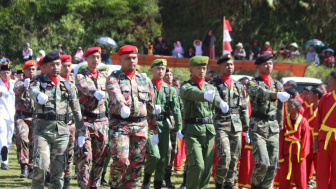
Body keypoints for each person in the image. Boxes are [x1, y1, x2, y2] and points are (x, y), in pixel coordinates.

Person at [29, 51, 84, 188]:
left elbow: (76, 110)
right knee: (40, 168)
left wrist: (81, 132)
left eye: (58, 64)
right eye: (52, 65)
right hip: (42, 132)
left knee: (58, 173)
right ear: (45, 66)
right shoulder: (39, 82)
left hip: (62, 133)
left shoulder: (68, 85)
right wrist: (38, 96)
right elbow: (32, 90)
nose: (55, 67)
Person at [106, 45, 156, 189]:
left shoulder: (144, 79)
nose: (131, 61)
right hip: (120, 125)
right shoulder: (114, 78)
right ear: (120, 60)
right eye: (127, 58)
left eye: (134, 58)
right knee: (120, 160)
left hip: (140, 126)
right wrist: (122, 106)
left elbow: (150, 106)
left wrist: (155, 129)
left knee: (137, 164)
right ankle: (115, 185)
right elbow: (115, 93)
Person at [180, 56, 224, 189]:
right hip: (192, 130)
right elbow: (191, 93)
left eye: (204, 68)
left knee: (207, 168)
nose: (202, 70)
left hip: (208, 130)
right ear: (191, 69)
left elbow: (217, 98)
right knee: (197, 165)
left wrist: (221, 103)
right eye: (198, 68)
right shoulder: (185, 86)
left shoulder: (210, 87)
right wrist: (204, 95)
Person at [246, 53, 290, 188]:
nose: (268, 66)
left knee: (272, 166)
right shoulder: (252, 83)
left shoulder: (277, 84)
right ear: (258, 66)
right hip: (258, 126)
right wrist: (275, 94)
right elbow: (260, 93)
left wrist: (280, 125)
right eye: (265, 63)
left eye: (270, 63)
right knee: (262, 163)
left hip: (273, 127)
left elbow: (280, 108)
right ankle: (255, 186)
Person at [142, 59, 182, 189]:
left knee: (163, 157)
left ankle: (158, 184)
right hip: (149, 124)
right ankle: (146, 180)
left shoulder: (169, 89)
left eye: (163, 69)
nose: (160, 71)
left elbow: (176, 109)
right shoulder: (146, 86)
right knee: (154, 155)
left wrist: (179, 127)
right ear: (151, 70)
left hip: (164, 124)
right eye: (158, 68)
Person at [211, 54, 249, 189]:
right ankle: (219, 184)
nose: (230, 67)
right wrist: (220, 103)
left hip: (236, 126)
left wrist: (247, 128)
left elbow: (244, 107)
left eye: (232, 64)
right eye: (227, 64)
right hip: (221, 124)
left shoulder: (238, 85)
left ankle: (229, 184)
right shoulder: (214, 83)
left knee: (234, 159)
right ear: (220, 66)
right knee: (224, 157)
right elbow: (214, 96)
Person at [75, 47, 109, 189]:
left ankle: (94, 184)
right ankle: (84, 184)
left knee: (100, 156)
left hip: (102, 121)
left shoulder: (105, 76)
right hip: (86, 121)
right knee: (85, 156)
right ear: (86, 59)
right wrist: (95, 92)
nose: (95, 60)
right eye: (92, 57)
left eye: (98, 57)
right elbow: (83, 87)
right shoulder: (81, 76)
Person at [278, 99, 309, 189]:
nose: (288, 108)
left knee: (301, 175)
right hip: (287, 152)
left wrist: (303, 154)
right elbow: (281, 139)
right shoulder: (284, 121)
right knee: (284, 176)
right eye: (288, 106)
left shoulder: (303, 121)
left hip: (299, 153)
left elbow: (306, 139)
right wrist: (280, 154)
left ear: (297, 108)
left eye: (291, 106)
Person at [13, 60, 37, 178]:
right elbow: (17, 90)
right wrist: (24, 85)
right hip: (21, 116)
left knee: (33, 142)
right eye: (29, 69)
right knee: (22, 138)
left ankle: (31, 167)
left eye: (33, 69)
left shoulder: (39, 83)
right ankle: (24, 166)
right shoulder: (20, 82)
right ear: (24, 71)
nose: (31, 71)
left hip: (35, 117)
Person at [313, 71, 336, 189]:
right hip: (324, 138)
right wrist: (315, 139)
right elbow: (318, 119)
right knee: (322, 170)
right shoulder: (325, 98)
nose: (328, 83)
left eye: (331, 80)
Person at [59, 54, 76, 189]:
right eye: (64, 66)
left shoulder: (74, 82)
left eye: (69, 66)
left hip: (70, 123)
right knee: (57, 153)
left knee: (69, 153)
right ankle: (52, 176)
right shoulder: (54, 81)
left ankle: (67, 179)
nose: (67, 69)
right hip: (56, 124)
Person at [162, 67, 180, 188]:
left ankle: (167, 178)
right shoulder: (161, 89)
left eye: (170, 75)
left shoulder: (176, 90)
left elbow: (180, 108)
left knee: (173, 150)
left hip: (174, 124)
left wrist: (181, 124)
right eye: (167, 75)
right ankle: (162, 176)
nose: (169, 77)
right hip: (164, 123)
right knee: (166, 150)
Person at [303, 87, 322, 185]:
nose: (307, 96)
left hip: (317, 138)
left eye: (310, 94)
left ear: (316, 96)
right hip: (307, 138)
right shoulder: (307, 109)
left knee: (319, 162)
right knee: (306, 160)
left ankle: (320, 182)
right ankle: (305, 181)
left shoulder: (322, 109)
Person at [0, 65, 15, 170]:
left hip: (12, 114)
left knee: (9, 138)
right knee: (2, 134)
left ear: (10, 73)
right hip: (1, 113)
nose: (5, 74)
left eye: (7, 72)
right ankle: (3, 161)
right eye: (3, 73)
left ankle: (5, 157)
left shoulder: (15, 84)